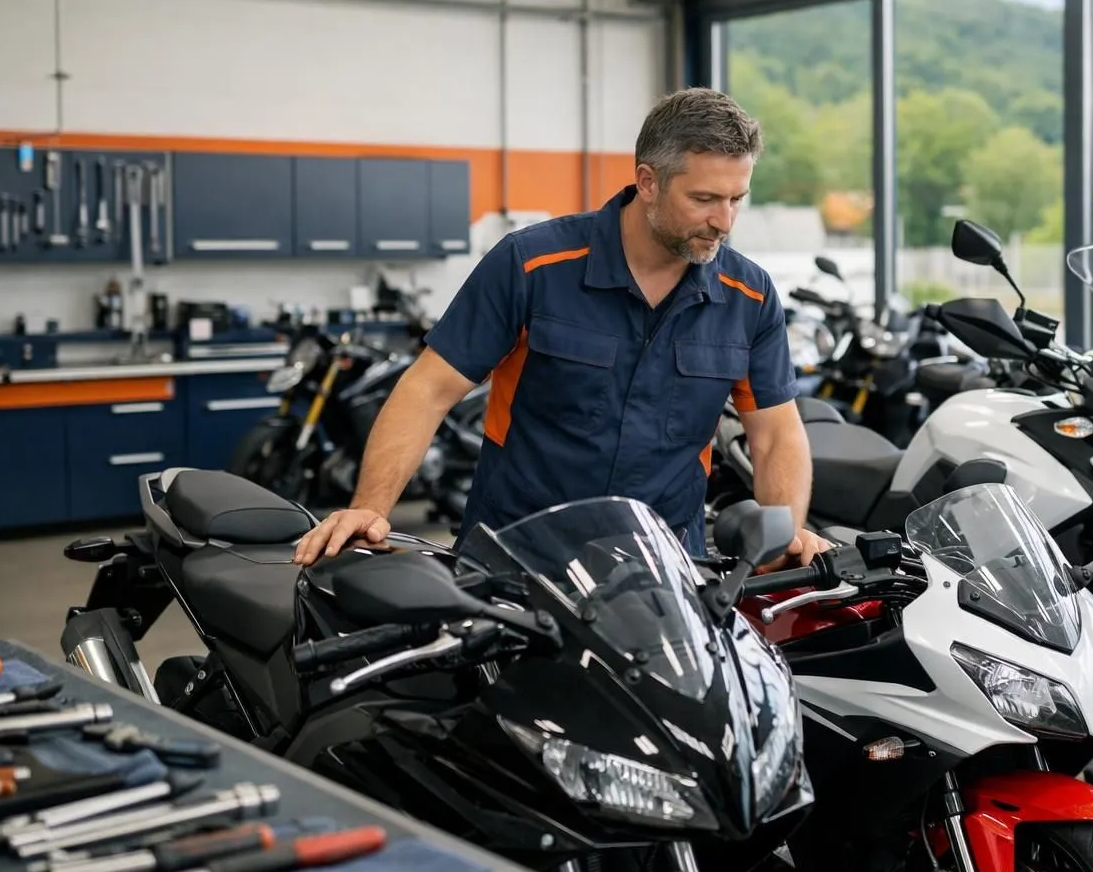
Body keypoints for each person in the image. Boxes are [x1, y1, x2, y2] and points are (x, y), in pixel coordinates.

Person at [292, 88, 830, 568]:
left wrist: (779, 535)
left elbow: (776, 432)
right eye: (704, 199)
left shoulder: (749, 296)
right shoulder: (532, 266)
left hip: (662, 573)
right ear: (647, 181)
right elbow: (427, 390)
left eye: (737, 198)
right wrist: (368, 508)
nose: (724, 221)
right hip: (517, 563)